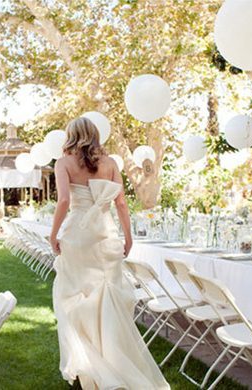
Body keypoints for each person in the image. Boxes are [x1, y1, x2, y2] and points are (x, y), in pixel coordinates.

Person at [50, 117, 170, 390]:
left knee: (76, 298)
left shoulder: (64, 163)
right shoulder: (111, 164)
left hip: (78, 236)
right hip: (105, 236)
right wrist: (128, 236)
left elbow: (65, 201)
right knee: (109, 299)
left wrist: (53, 233)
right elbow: (122, 203)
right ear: (94, 135)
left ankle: (88, 367)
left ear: (71, 136)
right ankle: (112, 362)